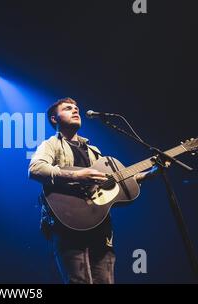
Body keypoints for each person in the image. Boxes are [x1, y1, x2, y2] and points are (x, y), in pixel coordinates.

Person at [28, 98, 156, 284]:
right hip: (67, 223)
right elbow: (35, 169)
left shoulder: (94, 150)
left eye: (76, 108)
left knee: (106, 280)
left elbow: (116, 181)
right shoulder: (51, 145)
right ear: (54, 119)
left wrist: (149, 174)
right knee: (79, 281)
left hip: (99, 225)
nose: (75, 110)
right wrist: (78, 176)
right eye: (68, 108)